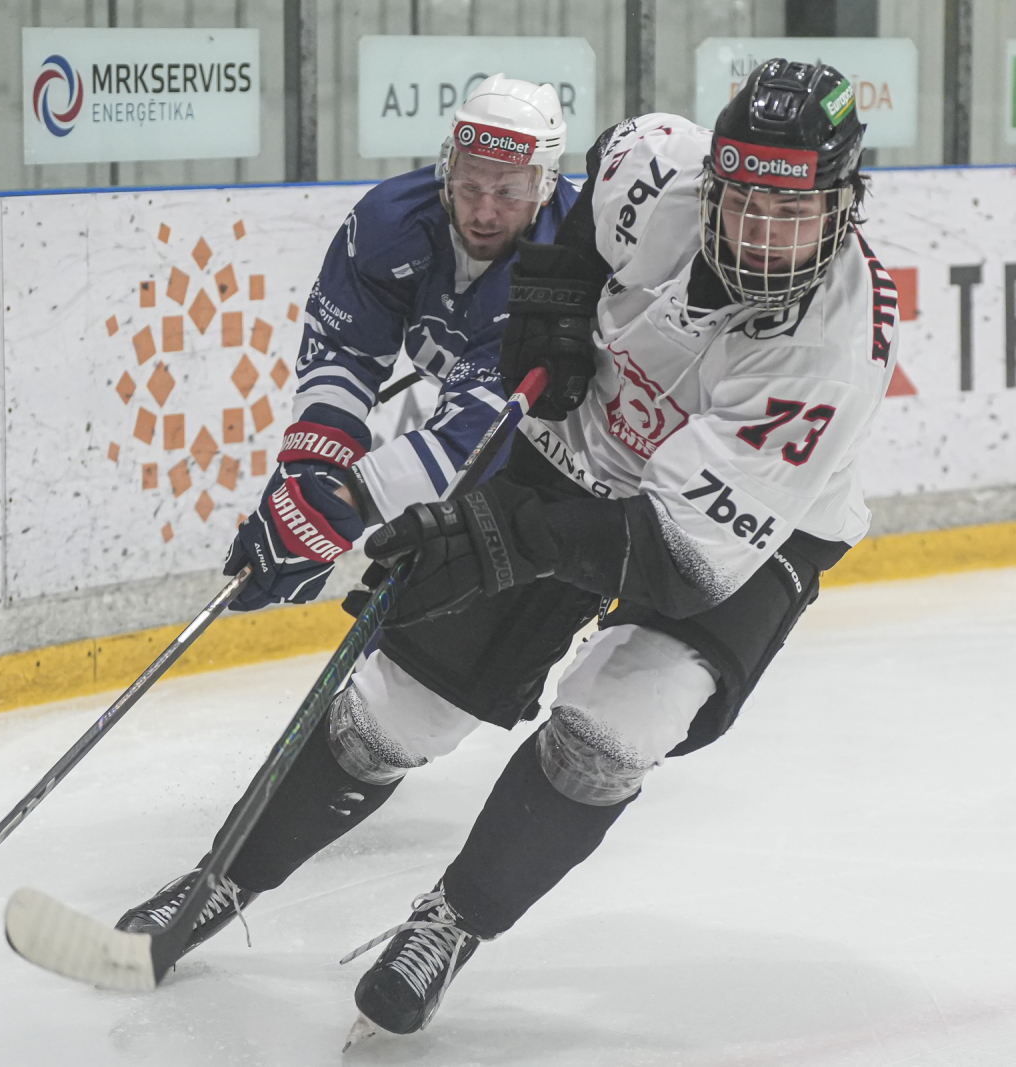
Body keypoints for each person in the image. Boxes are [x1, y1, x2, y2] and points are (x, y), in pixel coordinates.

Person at [125, 58, 899, 1040]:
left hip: (746, 530)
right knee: (395, 710)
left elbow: (675, 559)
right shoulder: (662, 168)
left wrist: (499, 537)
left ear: (843, 202)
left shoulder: (833, 353)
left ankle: (451, 922)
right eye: (742, 201)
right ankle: (217, 882)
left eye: (789, 214)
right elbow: (598, 188)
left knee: (619, 720)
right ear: (714, 177)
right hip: (585, 445)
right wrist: (558, 293)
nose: (757, 233)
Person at [214, 73, 577, 613]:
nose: (483, 212)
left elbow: (480, 435)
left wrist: (343, 504)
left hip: (583, 470)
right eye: (470, 185)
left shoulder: (568, 262)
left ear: (545, 186)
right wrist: (310, 467)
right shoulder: (392, 223)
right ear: (448, 166)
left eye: (509, 192)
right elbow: (346, 350)